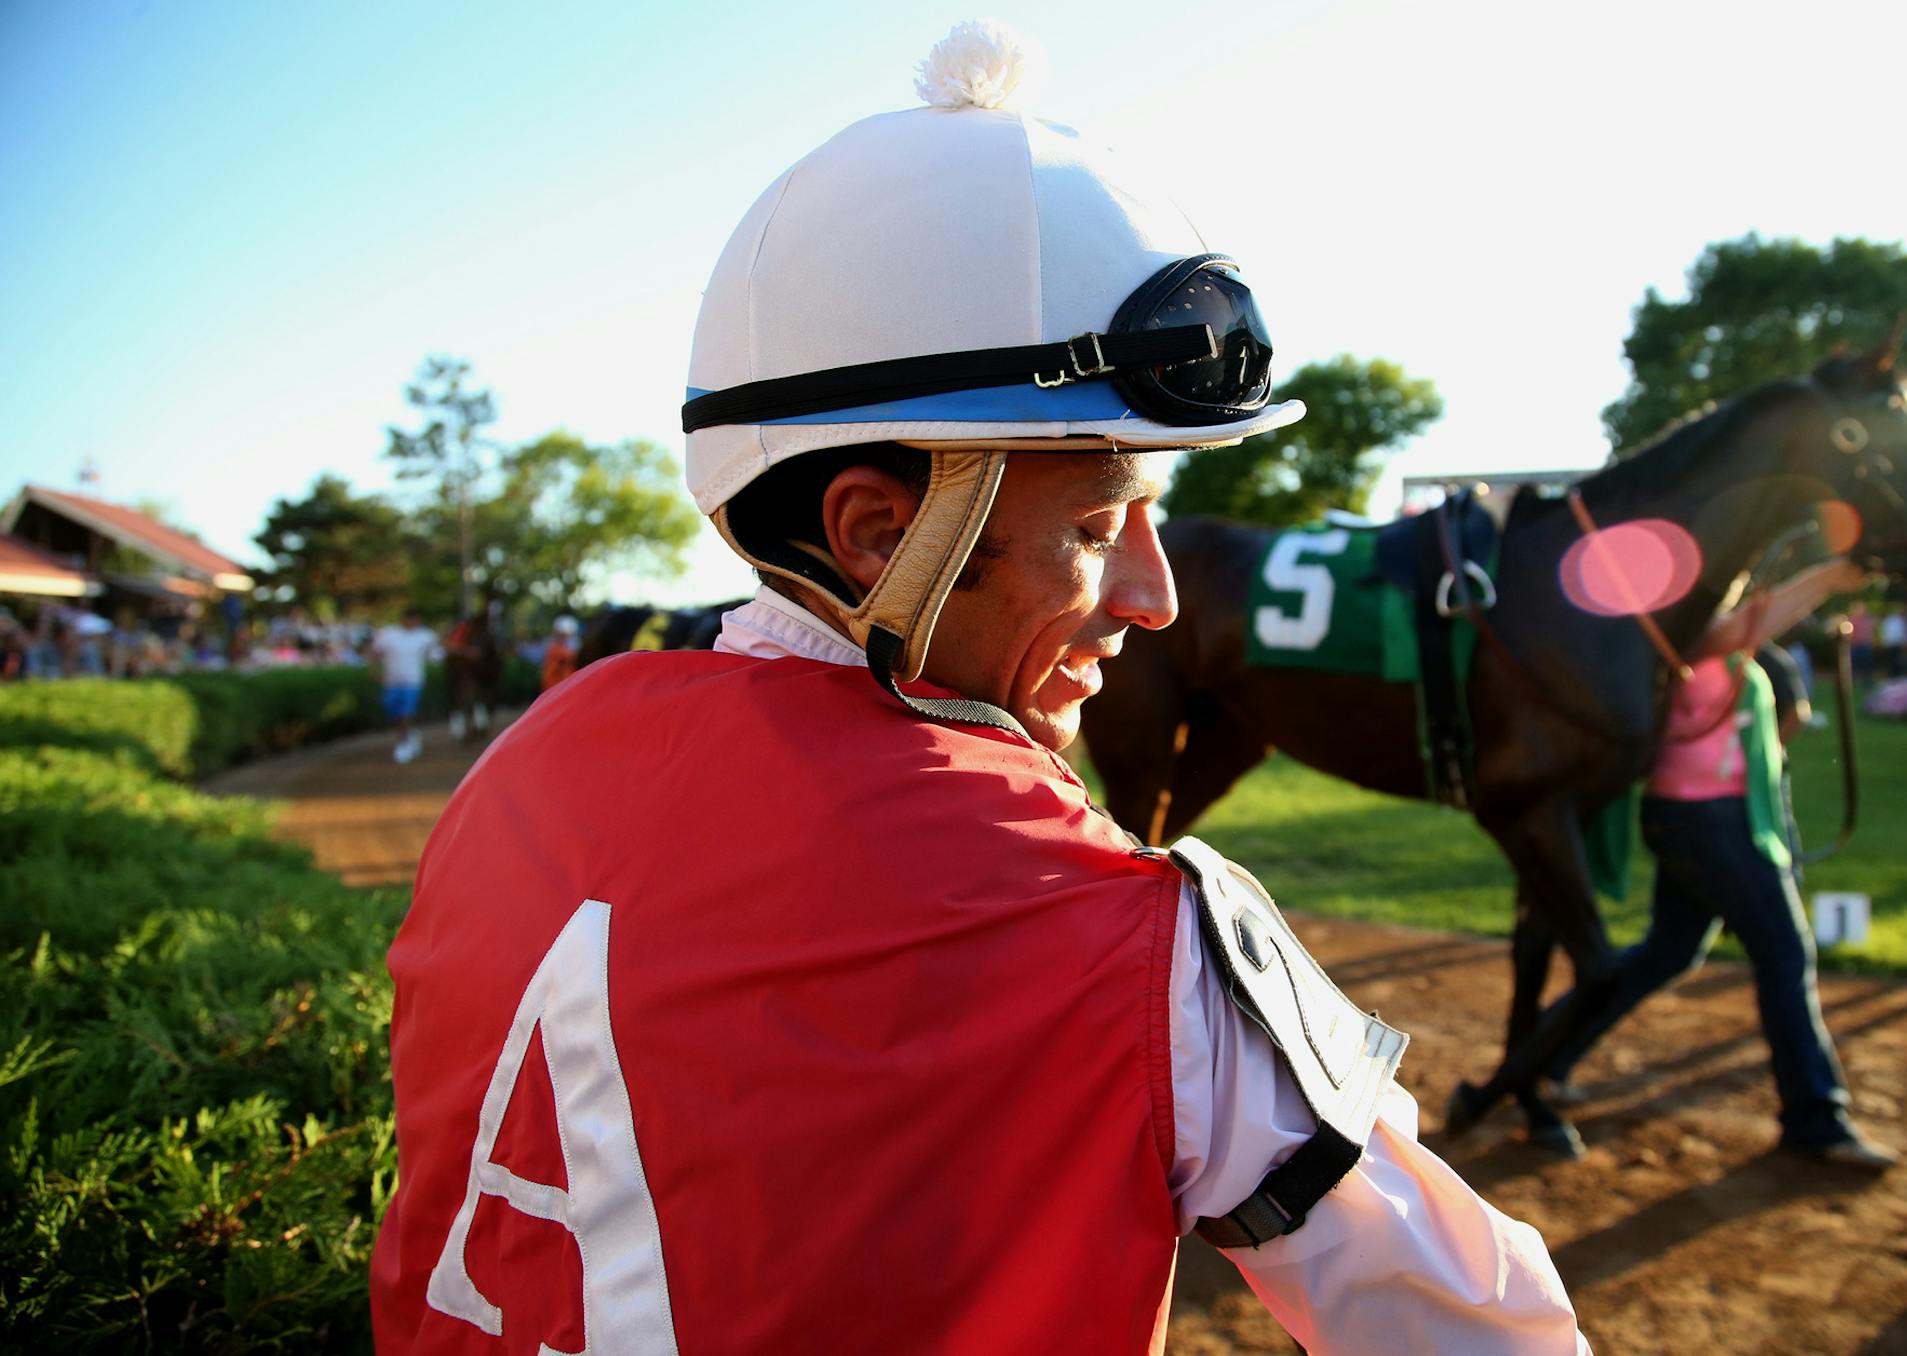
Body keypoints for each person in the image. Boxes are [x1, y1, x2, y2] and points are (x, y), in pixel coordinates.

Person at [370, 26, 1588, 1355]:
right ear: (878, 534)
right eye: (1098, 521)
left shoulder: (518, 765)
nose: (1156, 595)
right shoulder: (1128, 938)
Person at [1538, 558, 1899, 1169]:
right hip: (1711, 823)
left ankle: (1542, 1056)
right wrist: (1829, 577)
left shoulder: (1706, 638)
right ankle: (1816, 1118)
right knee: (1784, 955)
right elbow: (1742, 628)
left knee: (1668, 953)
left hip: (1705, 819)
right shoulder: (1683, 636)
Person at [371, 608, 440, 764]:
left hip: (413, 682)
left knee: (406, 713)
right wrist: (375, 673)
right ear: (405, 620)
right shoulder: (388, 634)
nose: (416, 623)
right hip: (392, 682)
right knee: (395, 713)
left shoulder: (425, 635)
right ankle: (410, 734)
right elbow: (375, 653)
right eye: (413, 620)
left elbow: (437, 652)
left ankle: (404, 744)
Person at [539, 614, 580, 691]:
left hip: (565, 685)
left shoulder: (568, 648)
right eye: (562, 634)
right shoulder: (555, 649)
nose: (565, 637)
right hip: (554, 686)